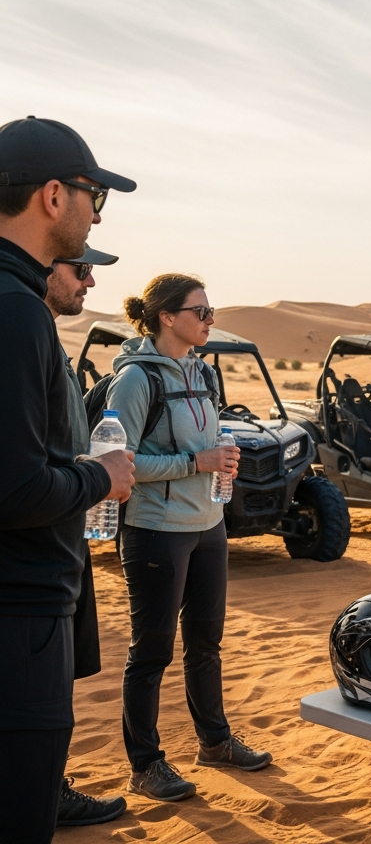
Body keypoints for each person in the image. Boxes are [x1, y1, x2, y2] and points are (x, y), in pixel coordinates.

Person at [0, 116, 137, 844]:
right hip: (18, 619)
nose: (95, 215)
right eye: (93, 197)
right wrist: (99, 475)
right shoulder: (16, 310)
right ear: (54, 196)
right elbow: (14, 489)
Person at [106, 274, 271, 803]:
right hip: (155, 530)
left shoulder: (203, 373)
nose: (209, 319)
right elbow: (119, 462)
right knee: (151, 652)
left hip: (208, 525)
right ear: (166, 318)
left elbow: (208, 441)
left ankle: (215, 742)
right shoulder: (135, 381)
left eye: (210, 309)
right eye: (200, 311)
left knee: (206, 644)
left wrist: (219, 459)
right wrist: (195, 462)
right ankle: (146, 764)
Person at [43, 246, 130, 827]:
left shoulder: (46, 338)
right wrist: (97, 474)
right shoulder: (21, 329)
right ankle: (43, 794)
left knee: (57, 691)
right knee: (39, 702)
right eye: (79, 269)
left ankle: (50, 786)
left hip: (65, 534)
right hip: (39, 546)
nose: (90, 281)